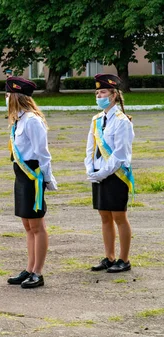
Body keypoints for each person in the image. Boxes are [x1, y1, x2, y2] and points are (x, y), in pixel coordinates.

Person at [4, 77, 57, 289]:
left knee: (37, 225)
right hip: (21, 175)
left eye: (8, 95)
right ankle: (29, 267)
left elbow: (42, 153)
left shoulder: (32, 120)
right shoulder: (20, 119)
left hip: (33, 175)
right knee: (27, 224)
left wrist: (47, 178)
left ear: (16, 96)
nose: (6, 98)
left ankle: (38, 272)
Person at [85, 74, 135, 273]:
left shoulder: (122, 122)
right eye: (97, 93)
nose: (99, 96)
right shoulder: (96, 120)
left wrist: (103, 173)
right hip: (98, 173)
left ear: (114, 95)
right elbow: (90, 147)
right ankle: (109, 256)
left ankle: (124, 259)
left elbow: (120, 154)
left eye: (103, 92)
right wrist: (90, 168)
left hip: (115, 175)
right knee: (104, 216)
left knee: (119, 216)